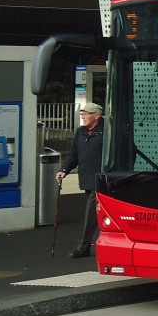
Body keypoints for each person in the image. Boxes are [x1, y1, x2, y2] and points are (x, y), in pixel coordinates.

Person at [56, 103, 105, 259]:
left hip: (101, 180)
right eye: (82, 114)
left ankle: (84, 247)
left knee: (91, 213)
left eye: (86, 113)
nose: (83, 116)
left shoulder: (107, 131)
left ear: (96, 115)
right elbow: (74, 154)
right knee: (97, 214)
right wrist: (64, 170)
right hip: (86, 179)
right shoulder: (81, 132)